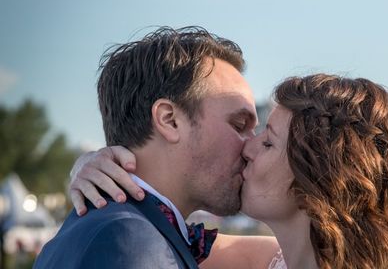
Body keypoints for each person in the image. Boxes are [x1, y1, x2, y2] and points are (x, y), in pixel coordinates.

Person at [70, 73, 388, 268]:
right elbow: (162, 230)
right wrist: (93, 167)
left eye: (267, 142)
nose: (248, 148)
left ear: (316, 178)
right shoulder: (268, 260)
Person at [35, 27, 278, 268]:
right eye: (239, 125)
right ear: (169, 120)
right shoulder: (129, 239)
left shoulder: (125, 228)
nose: (250, 146)